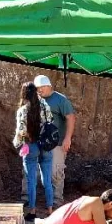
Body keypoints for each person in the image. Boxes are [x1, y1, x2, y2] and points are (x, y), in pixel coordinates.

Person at [32, 75, 76, 205]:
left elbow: (71, 118)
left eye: (42, 88)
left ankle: (57, 200)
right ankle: (29, 200)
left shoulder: (61, 100)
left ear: (49, 85)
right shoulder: (36, 100)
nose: (39, 91)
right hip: (38, 142)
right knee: (32, 170)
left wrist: (68, 138)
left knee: (55, 172)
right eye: (37, 88)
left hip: (56, 143)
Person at [13, 81, 55, 218]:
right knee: (47, 180)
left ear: (24, 94)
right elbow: (51, 122)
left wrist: (17, 143)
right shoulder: (44, 105)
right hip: (46, 145)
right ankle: (50, 210)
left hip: (31, 145)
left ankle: (32, 211)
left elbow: (21, 131)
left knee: (31, 180)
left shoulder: (23, 110)